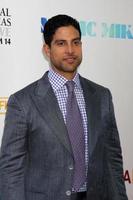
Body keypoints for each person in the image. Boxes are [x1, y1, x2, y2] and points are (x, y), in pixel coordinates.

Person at [0, 14, 128, 200]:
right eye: (61, 43)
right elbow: (11, 169)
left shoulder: (102, 96)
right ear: (47, 50)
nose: (70, 50)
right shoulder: (23, 102)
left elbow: (113, 160)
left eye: (76, 42)